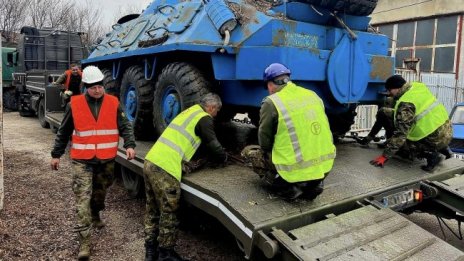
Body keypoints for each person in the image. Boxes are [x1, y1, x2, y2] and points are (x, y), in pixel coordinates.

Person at [50, 65, 136, 260]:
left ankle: (96, 212)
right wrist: (56, 154)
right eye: (93, 86)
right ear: (85, 86)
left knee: (99, 194)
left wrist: (130, 144)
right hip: (82, 160)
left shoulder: (114, 103)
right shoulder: (75, 104)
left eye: (100, 86)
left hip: (106, 160)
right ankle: (84, 244)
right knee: (82, 200)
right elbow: (63, 132)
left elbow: (125, 127)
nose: (97, 90)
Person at [143, 93, 227, 261]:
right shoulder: (205, 118)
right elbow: (213, 144)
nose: (216, 114)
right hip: (166, 167)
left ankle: (150, 251)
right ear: (211, 107)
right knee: (169, 211)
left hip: (151, 161)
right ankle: (166, 254)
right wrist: (223, 157)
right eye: (217, 110)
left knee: (152, 208)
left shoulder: (190, 111)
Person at [242, 63, 336, 200]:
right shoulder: (312, 95)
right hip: (324, 166)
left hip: (292, 172)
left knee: (249, 152)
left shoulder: (271, 102)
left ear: (270, 84)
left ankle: (287, 187)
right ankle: (314, 183)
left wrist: (269, 152)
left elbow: (265, 140)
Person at [370, 75, 452, 171]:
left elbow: (401, 134)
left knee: (401, 148)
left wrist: (385, 156)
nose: (389, 93)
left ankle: (431, 155)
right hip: (446, 132)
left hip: (434, 138)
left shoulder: (406, 104)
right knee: (385, 112)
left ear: (396, 88)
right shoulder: (417, 87)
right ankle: (444, 149)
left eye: (389, 90)